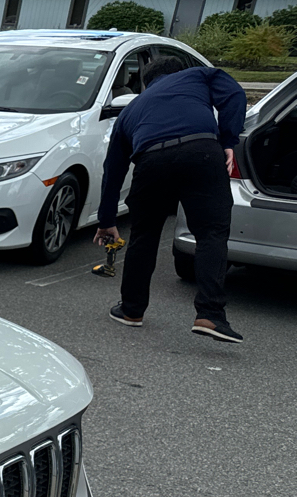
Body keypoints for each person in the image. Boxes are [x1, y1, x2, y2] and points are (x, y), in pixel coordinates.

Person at [94, 55, 246, 343]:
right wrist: (228, 140)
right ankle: (210, 315)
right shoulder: (199, 75)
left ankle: (131, 310)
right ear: (179, 73)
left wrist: (106, 221)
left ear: (147, 83)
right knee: (211, 233)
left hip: (150, 161)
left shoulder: (131, 109)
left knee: (144, 236)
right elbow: (235, 94)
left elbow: (113, 170)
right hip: (201, 150)